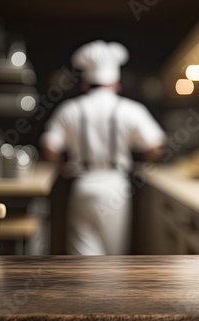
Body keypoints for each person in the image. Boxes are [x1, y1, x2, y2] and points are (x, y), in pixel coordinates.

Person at [40, 40, 165, 255]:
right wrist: (139, 165)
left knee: (82, 256)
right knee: (112, 258)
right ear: (116, 84)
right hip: (116, 187)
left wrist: (63, 167)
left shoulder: (70, 109)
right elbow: (156, 146)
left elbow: (49, 147)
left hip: (82, 186)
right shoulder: (131, 109)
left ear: (85, 84)